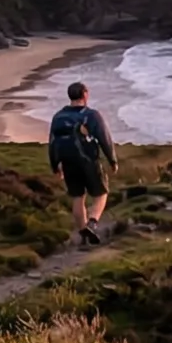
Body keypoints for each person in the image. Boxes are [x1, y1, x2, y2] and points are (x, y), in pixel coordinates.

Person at [47, 81, 118, 244]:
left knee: (77, 196)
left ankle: (82, 232)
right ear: (85, 94)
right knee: (101, 193)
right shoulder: (91, 115)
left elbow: (52, 142)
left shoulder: (58, 116)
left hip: (67, 161)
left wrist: (55, 165)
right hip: (88, 160)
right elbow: (104, 138)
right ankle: (92, 223)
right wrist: (112, 160)